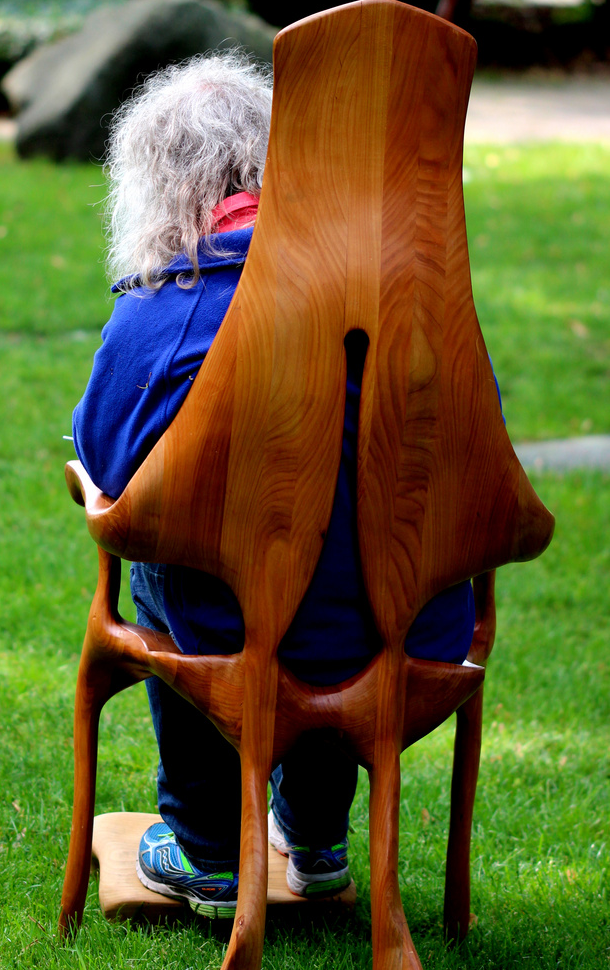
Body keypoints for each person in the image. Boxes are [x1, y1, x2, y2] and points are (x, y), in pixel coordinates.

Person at [71, 51, 479, 919]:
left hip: (236, 630)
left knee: (167, 552)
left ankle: (210, 848)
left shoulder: (164, 302)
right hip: (416, 627)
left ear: (158, 184)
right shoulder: (403, 287)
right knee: (335, 553)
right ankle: (317, 838)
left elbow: (106, 470)